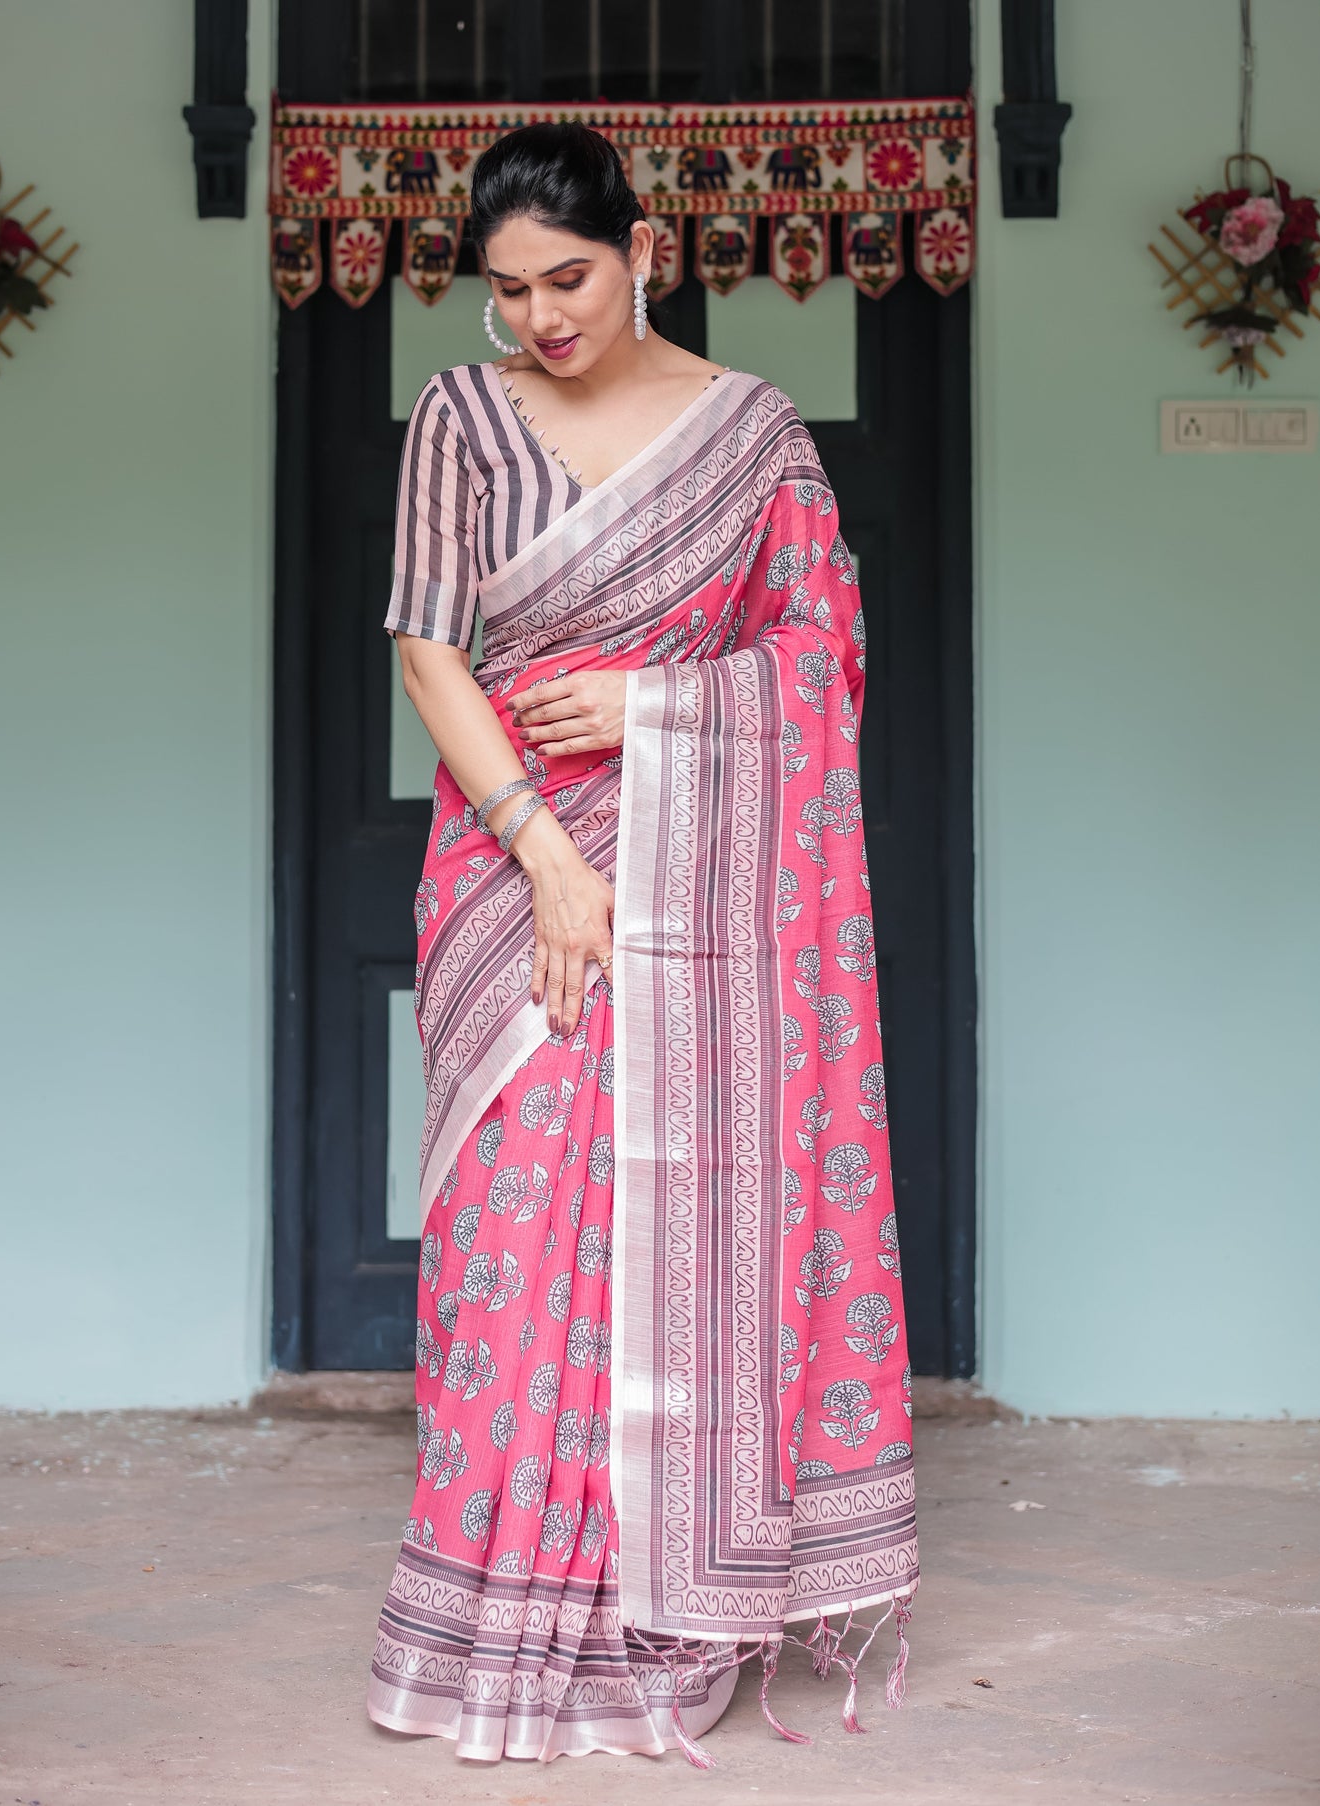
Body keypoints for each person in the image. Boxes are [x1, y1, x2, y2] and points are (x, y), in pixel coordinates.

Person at [367, 121, 917, 1766]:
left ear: (643, 248)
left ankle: (655, 1616)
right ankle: (489, 1613)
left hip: (696, 900)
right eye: (509, 289)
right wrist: (542, 849)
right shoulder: (458, 418)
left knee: (673, 1224)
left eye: (570, 278)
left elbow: (819, 662)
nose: (541, 316)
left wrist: (650, 704)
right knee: (504, 1239)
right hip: (509, 865)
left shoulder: (751, 437)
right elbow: (424, 645)